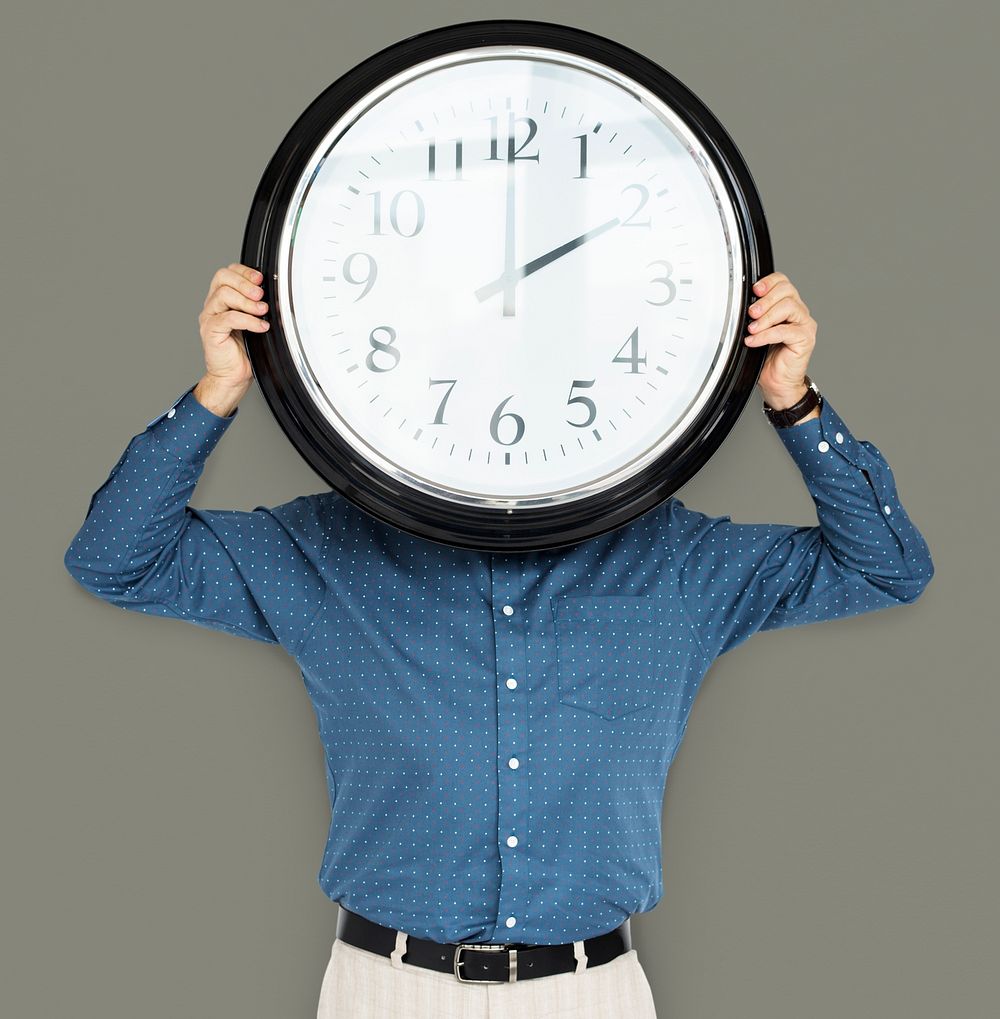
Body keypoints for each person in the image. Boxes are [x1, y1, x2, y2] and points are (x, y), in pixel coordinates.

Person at [63, 263, 934, 1018]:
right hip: (385, 988)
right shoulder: (329, 550)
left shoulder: (679, 562)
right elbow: (114, 559)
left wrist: (793, 399)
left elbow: (889, 566)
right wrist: (218, 387)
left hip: (590, 991)